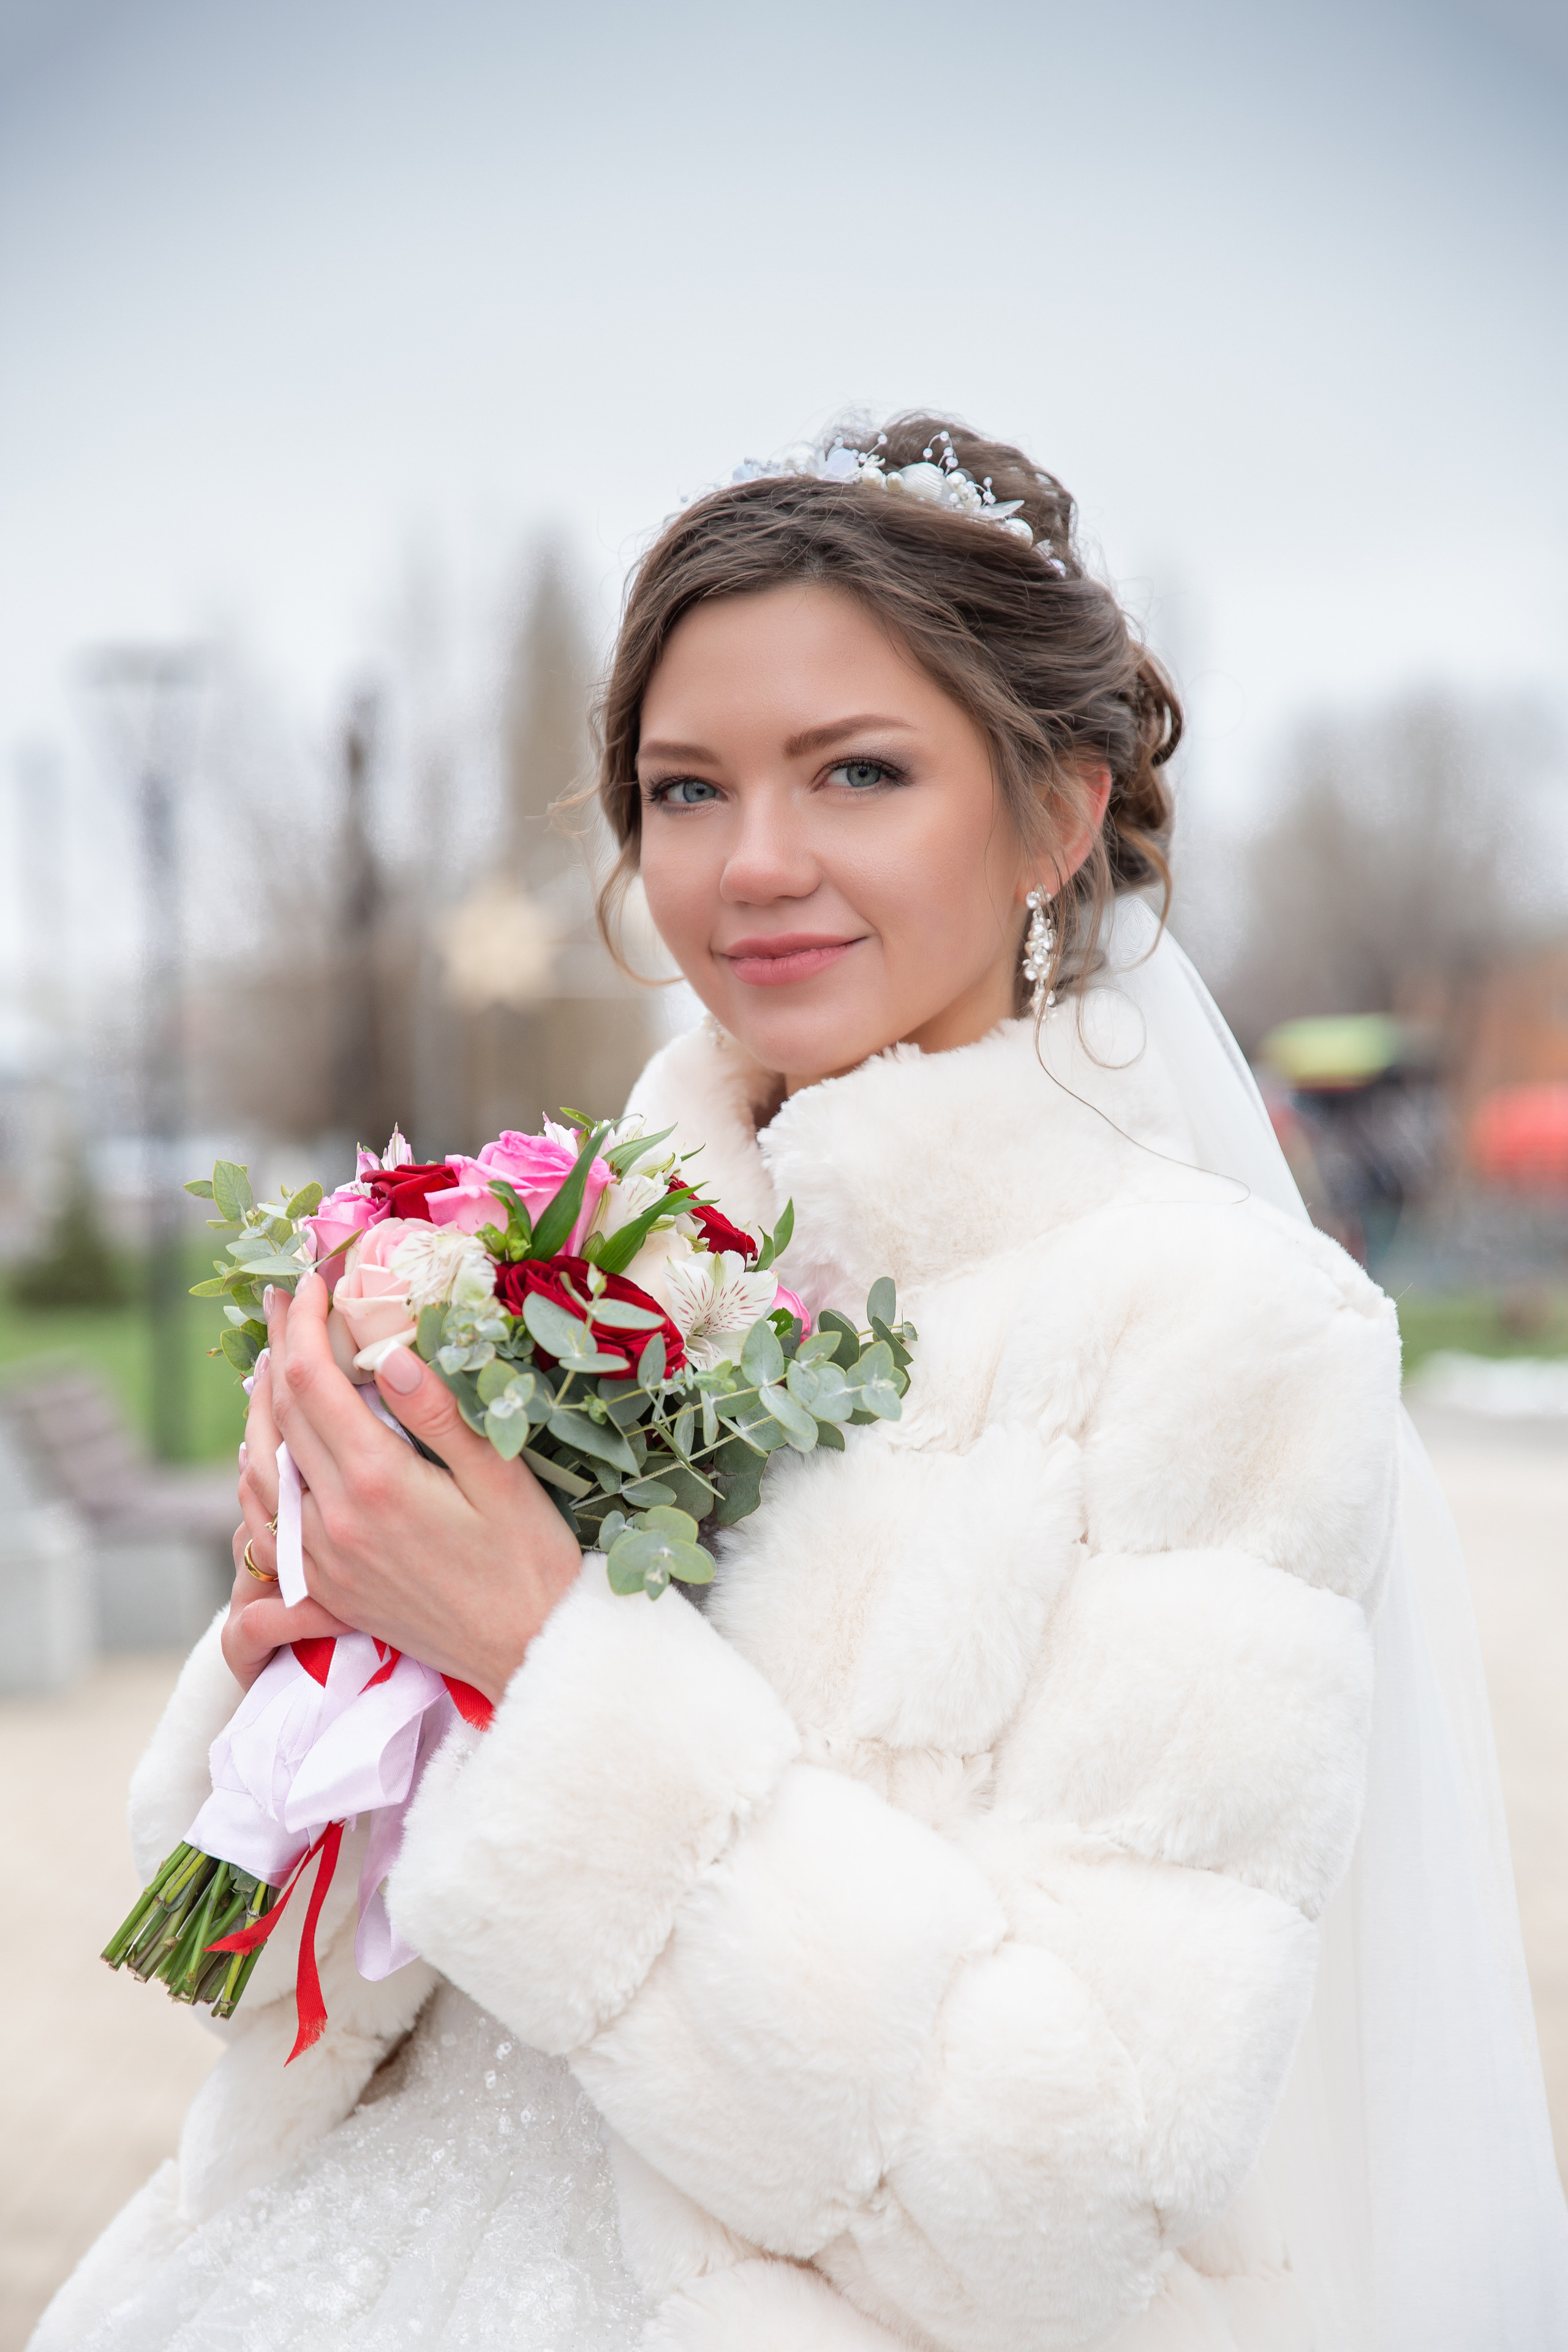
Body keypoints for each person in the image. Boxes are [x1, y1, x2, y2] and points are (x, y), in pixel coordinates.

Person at [33, 416, 1568, 2352]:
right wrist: (309, 1658)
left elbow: (1059, 2194)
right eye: (687, 790)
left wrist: (543, 1663)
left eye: (858, 771)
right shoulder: (547, 1267)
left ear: (1058, 814)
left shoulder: (1222, 1338)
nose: (755, 867)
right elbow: (252, 1988)